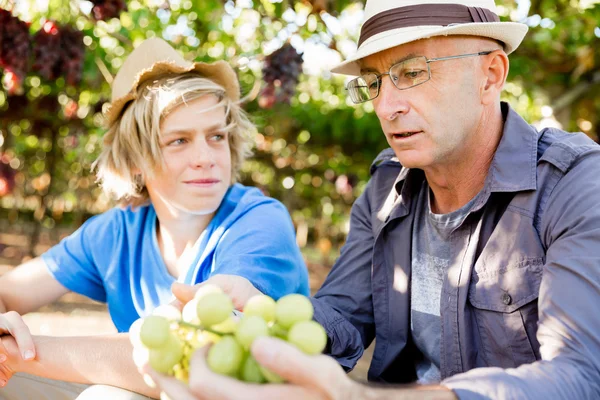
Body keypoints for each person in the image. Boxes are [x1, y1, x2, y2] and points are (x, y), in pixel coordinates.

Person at [144, 0, 600, 399]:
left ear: (490, 75)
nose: (386, 106)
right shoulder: (387, 188)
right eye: (374, 82)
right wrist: (260, 316)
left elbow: (581, 377)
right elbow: (342, 316)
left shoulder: (574, 185)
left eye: (411, 73)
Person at [0, 37, 310, 400]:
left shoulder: (259, 223)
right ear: (134, 160)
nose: (205, 157)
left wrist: (14, 352)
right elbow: (9, 291)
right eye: (179, 141)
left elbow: (185, 352)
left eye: (216, 136)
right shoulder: (117, 230)